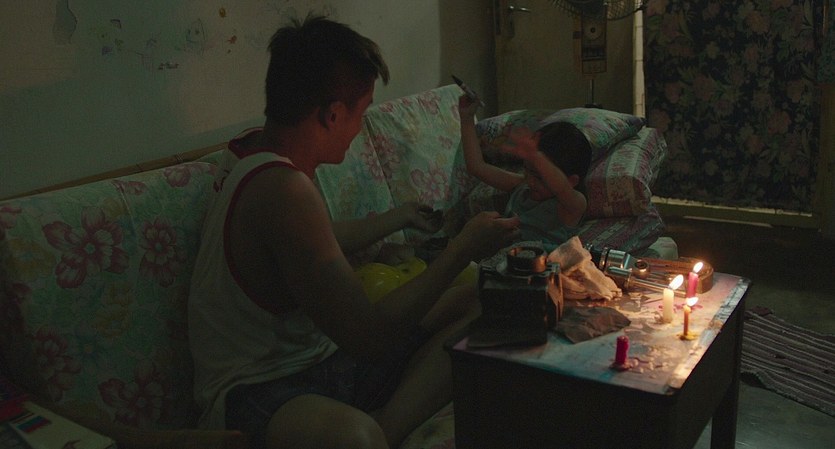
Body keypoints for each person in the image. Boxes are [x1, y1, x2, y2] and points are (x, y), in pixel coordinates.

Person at [187, 14, 521, 449]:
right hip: (260, 389)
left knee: (483, 302)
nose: (361, 127)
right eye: (361, 112)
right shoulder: (282, 189)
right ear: (332, 114)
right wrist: (462, 249)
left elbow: (318, 241)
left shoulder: (260, 151)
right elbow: (370, 337)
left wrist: (399, 217)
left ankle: (387, 423)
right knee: (356, 438)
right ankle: (381, 432)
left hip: (324, 358)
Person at [459, 95, 592, 249]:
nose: (530, 181)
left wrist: (535, 156)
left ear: (572, 181)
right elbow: (477, 167)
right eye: (528, 170)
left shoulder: (571, 206)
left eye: (540, 177)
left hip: (541, 262)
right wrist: (467, 118)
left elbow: (560, 187)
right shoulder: (522, 186)